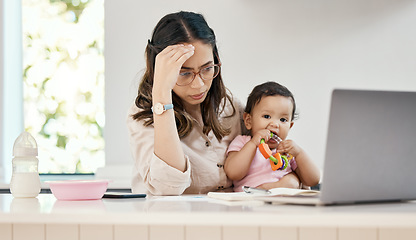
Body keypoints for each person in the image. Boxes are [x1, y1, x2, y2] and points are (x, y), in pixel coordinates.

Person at [127, 11, 301, 195]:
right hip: (173, 219)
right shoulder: (142, 116)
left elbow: (270, 165)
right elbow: (167, 187)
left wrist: (292, 179)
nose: (199, 84)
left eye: (207, 68)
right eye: (184, 73)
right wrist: (161, 93)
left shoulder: (231, 108)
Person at [224, 81, 320, 192]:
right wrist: (253, 143)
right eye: (267, 116)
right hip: (250, 203)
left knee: (291, 183)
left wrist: (299, 153)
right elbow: (233, 173)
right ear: (248, 121)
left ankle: (270, 189)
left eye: (283, 120)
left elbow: (313, 180)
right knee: (291, 184)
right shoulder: (243, 142)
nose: (275, 124)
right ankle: (263, 190)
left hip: (284, 204)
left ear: (290, 126)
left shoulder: (287, 151)